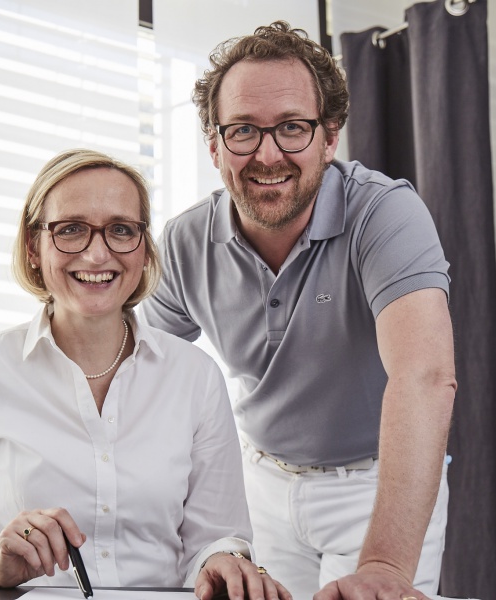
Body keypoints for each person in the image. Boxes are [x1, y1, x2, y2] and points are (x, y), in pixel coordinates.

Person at [140, 22, 456, 600]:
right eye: (242, 131)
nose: (267, 154)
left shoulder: (385, 215)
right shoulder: (186, 241)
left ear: (329, 137)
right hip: (259, 485)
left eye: (292, 127)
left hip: (374, 486)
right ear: (214, 146)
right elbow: (135, 370)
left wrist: (385, 565)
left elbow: (425, 377)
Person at [0, 148, 290, 600]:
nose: (96, 253)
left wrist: (222, 560)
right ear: (34, 247)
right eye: (70, 230)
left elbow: (216, 537)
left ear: (144, 249)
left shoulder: (196, 377)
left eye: (121, 230)